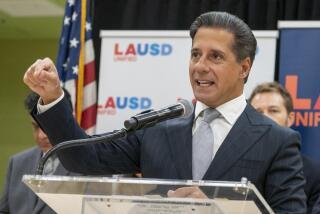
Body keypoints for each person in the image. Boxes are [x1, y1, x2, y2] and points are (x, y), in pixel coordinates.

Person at [23, 12, 306, 213]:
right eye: (196, 54)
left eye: (215, 56)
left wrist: (218, 210)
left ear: (244, 68)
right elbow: (83, 158)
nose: (200, 66)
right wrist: (52, 97)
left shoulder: (277, 140)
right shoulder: (158, 127)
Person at [0, 90, 78, 214]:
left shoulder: (89, 166)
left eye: (48, 126)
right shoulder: (17, 162)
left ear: (68, 119)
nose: (41, 135)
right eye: (36, 126)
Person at [249, 81, 320, 214]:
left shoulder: (315, 173)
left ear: (290, 118)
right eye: (258, 112)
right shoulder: (233, 163)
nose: (265, 118)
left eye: (273, 110)